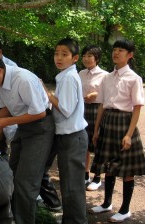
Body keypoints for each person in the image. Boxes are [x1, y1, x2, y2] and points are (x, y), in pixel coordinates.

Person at [0, 50, 55, 224]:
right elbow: (9, 107)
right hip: (23, 127)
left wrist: (5, 122)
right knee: (11, 175)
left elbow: (39, 112)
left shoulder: (23, 79)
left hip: (40, 128)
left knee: (26, 183)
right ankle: (13, 218)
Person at [89, 39, 145, 222]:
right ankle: (106, 203)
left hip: (124, 122)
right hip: (107, 122)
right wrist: (96, 130)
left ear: (130, 55)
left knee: (126, 169)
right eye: (114, 50)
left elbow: (137, 107)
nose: (116, 53)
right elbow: (102, 106)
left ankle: (126, 209)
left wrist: (129, 135)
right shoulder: (107, 77)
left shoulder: (133, 78)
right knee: (107, 165)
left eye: (121, 50)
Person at [43, 38, 88, 224]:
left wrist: (46, 93)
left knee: (72, 186)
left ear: (75, 57)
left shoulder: (69, 78)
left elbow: (66, 108)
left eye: (64, 54)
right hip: (69, 137)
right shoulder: (65, 76)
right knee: (69, 185)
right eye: (56, 53)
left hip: (72, 138)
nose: (59, 57)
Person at [79, 45, 108, 191]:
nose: (86, 58)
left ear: (96, 58)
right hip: (82, 109)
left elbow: (108, 94)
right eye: (84, 55)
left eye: (89, 56)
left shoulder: (104, 75)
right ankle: (85, 175)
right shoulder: (80, 73)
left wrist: (94, 95)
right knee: (84, 143)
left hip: (97, 110)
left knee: (97, 143)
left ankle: (97, 177)